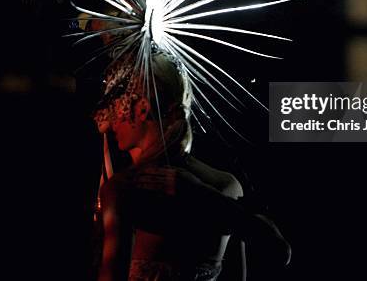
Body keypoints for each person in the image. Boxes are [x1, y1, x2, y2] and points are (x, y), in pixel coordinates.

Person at [92, 50, 291, 281]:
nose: (109, 121)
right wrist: (209, 199)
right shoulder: (225, 185)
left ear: (142, 109)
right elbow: (276, 253)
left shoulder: (124, 191)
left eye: (115, 106)